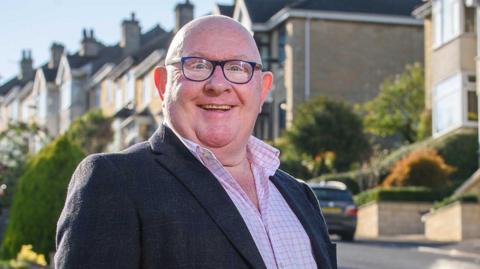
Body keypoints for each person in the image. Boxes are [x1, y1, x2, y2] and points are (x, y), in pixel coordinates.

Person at [55, 15, 336, 269]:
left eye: (238, 68)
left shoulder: (299, 195)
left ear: (262, 89)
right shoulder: (115, 181)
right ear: (163, 84)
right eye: (197, 65)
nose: (218, 84)